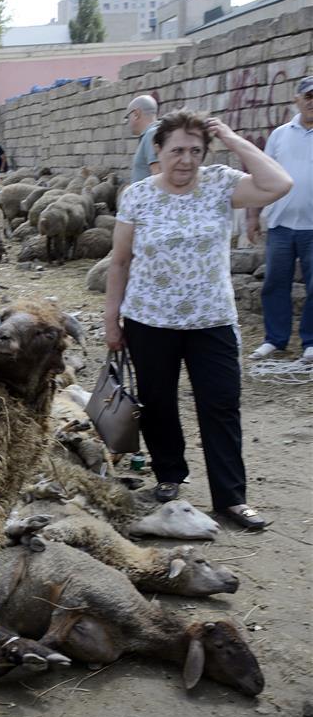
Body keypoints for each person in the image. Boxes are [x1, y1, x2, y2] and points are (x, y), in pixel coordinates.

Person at [104, 110, 292, 531]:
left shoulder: (221, 184)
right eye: (176, 150)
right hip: (149, 319)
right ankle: (170, 476)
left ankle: (231, 498)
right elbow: (119, 262)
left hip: (212, 320)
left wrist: (231, 137)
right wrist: (111, 320)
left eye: (195, 150)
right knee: (158, 402)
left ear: (205, 153)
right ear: (158, 150)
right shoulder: (137, 195)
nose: (185, 160)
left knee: (221, 403)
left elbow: (279, 184)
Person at [247, 76, 313, 363]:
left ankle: (311, 342)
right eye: (307, 96)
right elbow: (260, 176)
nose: (312, 101)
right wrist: (252, 215)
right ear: (296, 99)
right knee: (275, 283)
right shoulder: (280, 135)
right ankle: (275, 339)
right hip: (281, 225)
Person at [124, 94, 160, 183]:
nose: (127, 122)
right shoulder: (151, 133)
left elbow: (158, 174)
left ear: (136, 114)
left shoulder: (152, 134)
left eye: (127, 117)